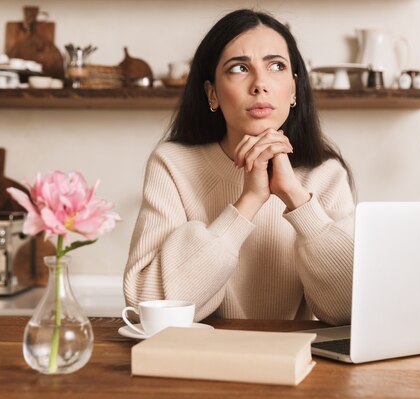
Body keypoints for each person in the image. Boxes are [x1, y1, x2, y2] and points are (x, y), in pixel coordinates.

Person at [124, 9, 355, 325]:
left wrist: (296, 199)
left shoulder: (326, 174)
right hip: (199, 361)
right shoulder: (173, 165)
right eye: (239, 68)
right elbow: (143, 305)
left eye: (276, 66)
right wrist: (247, 204)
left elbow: (349, 310)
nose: (260, 84)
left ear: (294, 90)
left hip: (296, 362)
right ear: (212, 94)